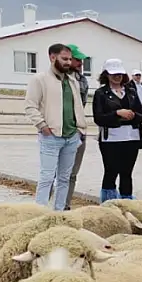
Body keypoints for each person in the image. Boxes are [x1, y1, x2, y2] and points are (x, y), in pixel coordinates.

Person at [24, 43, 85, 210]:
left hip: (71, 135)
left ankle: (59, 212)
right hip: (51, 136)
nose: (67, 62)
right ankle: (40, 212)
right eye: (64, 59)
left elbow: (77, 105)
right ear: (52, 57)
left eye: (69, 59)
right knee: (47, 177)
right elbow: (30, 105)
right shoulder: (39, 79)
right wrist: (43, 126)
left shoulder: (72, 80)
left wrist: (80, 129)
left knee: (65, 178)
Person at [92, 58, 142, 201]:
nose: (117, 77)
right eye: (113, 74)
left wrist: (133, 115)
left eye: (120, 74)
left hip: (131, 137)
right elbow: (98, 118)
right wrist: (117, 113)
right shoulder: (101, 93)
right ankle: (108, 200)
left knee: (127, 172)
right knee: (111, 170)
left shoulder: (131, 92)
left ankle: (126, 199)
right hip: (111, 138)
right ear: (107, 75)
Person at [61, 43, 90, 210]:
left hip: (77, 130)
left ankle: (66, 204)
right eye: (77, 59)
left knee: (72, 173)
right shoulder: (57, 78)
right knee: (55, 172)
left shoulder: (82, 80)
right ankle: (49, 204)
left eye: (81, 60)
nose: (80, 63)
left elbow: (82, 105)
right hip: (60, 130)